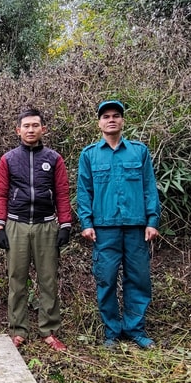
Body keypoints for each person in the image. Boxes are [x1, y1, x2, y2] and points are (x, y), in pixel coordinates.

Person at [76, 100, 161, 349]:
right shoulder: (89, 155)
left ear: (123, 121)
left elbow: (149, 187)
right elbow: (84, 191)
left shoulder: (139, 151)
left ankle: (135, 329)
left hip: (136, 227)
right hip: (104, 229)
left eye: (116, 116)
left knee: (139, 279)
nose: (111, 120)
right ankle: (112, 332)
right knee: (106, 279)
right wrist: (86, 222)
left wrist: (152, 221)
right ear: (99, 123)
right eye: (106, 116)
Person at [0, 107, 72, 351]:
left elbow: (61, 191)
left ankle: (49, 330)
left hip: (46, 224)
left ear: (43, 129)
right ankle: (18, 330)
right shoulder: (8, 158)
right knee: (16, 278)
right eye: (26, 126)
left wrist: (65, 224)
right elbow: (1, 193)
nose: (30, 130)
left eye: (35, 126)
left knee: (48, 279)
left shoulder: (53, 159)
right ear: (18, 130)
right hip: (16, 224)